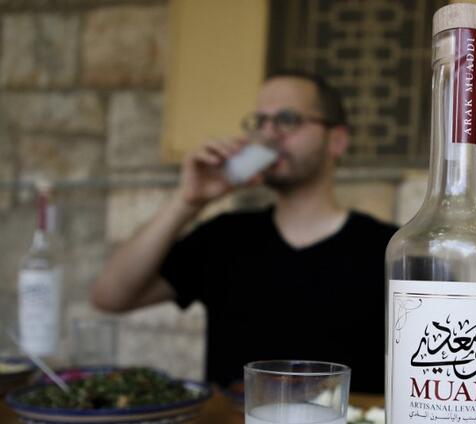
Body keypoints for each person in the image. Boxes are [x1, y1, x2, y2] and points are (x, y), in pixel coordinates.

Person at [92, 72, 397, 393]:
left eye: (287, 119)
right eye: (261, 122)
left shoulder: (389, 250)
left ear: (336, 140)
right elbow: (111, 297)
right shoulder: (225, 237)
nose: (269, 134)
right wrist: (188, 200)